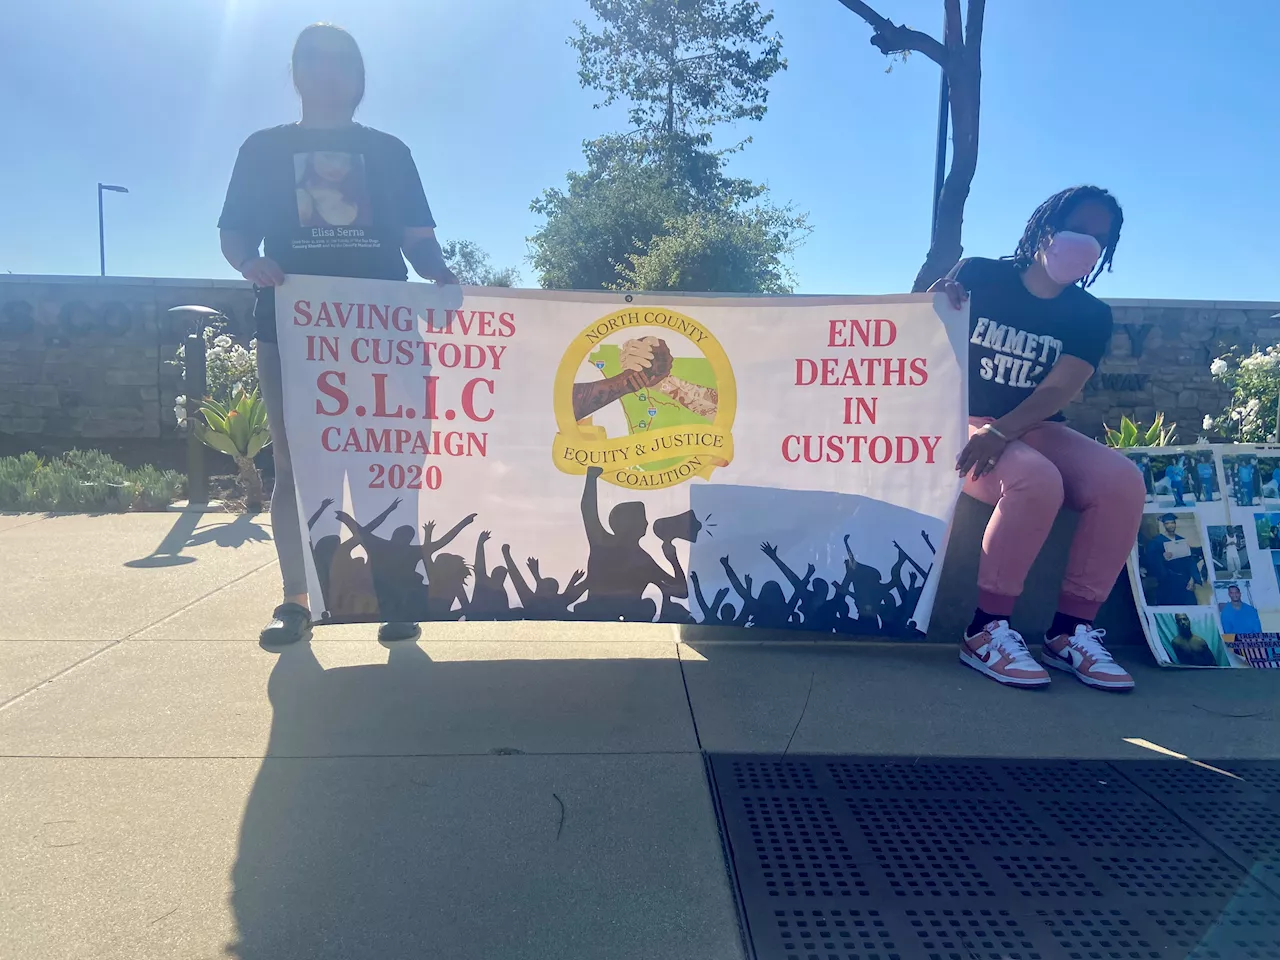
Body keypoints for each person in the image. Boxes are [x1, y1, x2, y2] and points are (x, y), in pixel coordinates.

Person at [217, 23, 458, 645]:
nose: (329, 73)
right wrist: (249, 265)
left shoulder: (390, 152)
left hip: (386, 337)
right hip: (291, 337)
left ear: (359, 78)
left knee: (391, 467)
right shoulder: (262, 149)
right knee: (297, 471)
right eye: (315, 61)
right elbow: (235, 235)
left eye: (343, 63)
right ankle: (298, 600)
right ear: (296, 74)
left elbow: (419, 243)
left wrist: (441, 276)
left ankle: (396, 598)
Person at [933, 185, 1142, 692]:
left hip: (1031, 426)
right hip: (960, 421)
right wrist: (935, 302)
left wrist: (1004, 431)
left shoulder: (1091, 314)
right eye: (1079, 229)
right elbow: (923, 339)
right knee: (1034, 480)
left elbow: (1061, 386)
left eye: (1101, 237)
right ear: (1046, 228)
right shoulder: (980, 275)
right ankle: (985, 630)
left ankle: (1070, 633)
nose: (1087, 243)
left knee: (1122, 481)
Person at [1144, 514, 1203, 605]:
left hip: (1184, 580)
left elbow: (1190, 561)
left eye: (1172, 523)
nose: (1171, 525)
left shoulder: (1181, 540)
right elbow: (1150, 561)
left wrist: (1192, 579)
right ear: (1164, 525)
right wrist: (1162, 558)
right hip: (1167, 582)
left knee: (1189, 605)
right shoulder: (1156, 542)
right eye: (1167, 523)